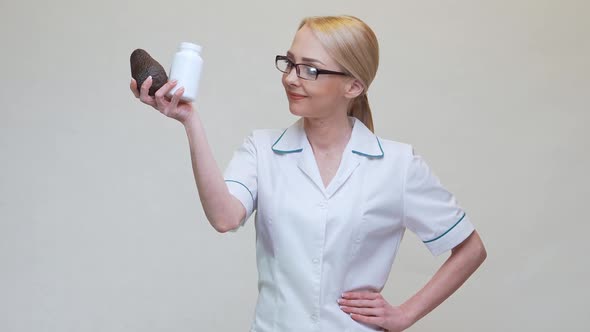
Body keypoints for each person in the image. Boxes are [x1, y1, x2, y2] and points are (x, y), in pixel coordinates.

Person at [130, 15, 487, 332]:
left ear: (353, 86)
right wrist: (190, 121)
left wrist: (405, 315)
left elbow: (470, 249)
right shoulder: (262, 150)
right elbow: (224, 217)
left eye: (309, 69)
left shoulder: (398, 165)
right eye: (289, 63)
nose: (290, 78)